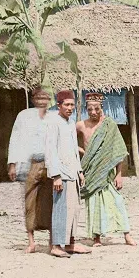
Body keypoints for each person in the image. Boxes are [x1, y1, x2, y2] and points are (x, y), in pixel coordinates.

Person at [77, 93, 136, 247]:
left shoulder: (110, 125)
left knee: (117, 201)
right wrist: (84, 152)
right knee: (94, 204)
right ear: (86, 109)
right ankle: (96, 238)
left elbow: (118, 151)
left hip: (107, 173)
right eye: (90, 109)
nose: (93, 112)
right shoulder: (81, 125)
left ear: (101, 108)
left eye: (96, 108)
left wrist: (119, 174)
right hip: (90, 171)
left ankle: (127, 234)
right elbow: (66, 139)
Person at [43, 90, 92, 258]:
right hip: (61, 173)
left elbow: (73, 149)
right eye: (67, 105)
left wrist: (79, 171)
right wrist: (55, 175)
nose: (70, 108)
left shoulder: (71, 123)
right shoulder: (53, 122)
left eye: (72, 105)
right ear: (59, 105)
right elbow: (50, 150)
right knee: (61, 208)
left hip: (73, 172)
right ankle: (56, 245)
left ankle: (70, 243)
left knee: (74, 209)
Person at [7, 86, 55, 254]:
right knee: (29, 202)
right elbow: (15, 139)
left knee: (50, 201)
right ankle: (31, 242)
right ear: (33, 99)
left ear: (50, 100)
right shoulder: (24, 116)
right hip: (29, 164)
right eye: (38, 97)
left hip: (50, 164)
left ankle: (51, 242)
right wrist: (12, 163)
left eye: (45, 98)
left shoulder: (55, 117)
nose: (42, 101)